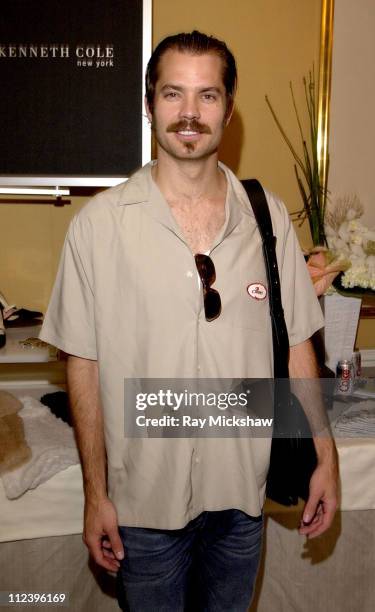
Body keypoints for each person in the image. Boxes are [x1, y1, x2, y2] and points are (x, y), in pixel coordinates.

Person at [40, 30, 338, 612]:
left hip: (242, 500)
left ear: (229, 108)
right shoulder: (99, 228)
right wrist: (94, 493)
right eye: (173, 94)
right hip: (142, 510)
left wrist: (324, 456)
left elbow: (297, 342)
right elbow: (84, 364)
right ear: (150, 104)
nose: (189, 114)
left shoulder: (268, 217)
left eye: (207, 96)